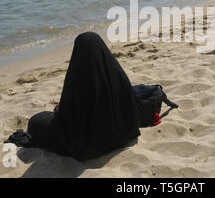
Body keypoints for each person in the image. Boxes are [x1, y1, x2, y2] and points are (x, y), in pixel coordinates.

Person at [22, 32, 141, 160]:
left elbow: (69, 118)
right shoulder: (118, 75)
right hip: (125, 133)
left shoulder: (80, 80)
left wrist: (59, 110)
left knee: (35, 121)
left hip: (92, 144)